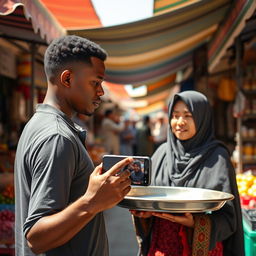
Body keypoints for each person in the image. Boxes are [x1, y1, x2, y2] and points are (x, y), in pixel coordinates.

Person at [14, 35, 133, 256]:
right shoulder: (57, 137)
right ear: (67, 79)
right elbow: (36, 238)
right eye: (95, 83)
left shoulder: (39, 123)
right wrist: (92, 202)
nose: (100, 92)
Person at [131, 90, 244, 256]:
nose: (180, 122)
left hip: (202, 250)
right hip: (162, 247)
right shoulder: (162, 153)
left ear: (202, 118)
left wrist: (195, 223)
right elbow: (147, 198)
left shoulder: (217, 157)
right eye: (175, 115)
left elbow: (229, 218)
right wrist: (145, 214)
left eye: (188, 115)